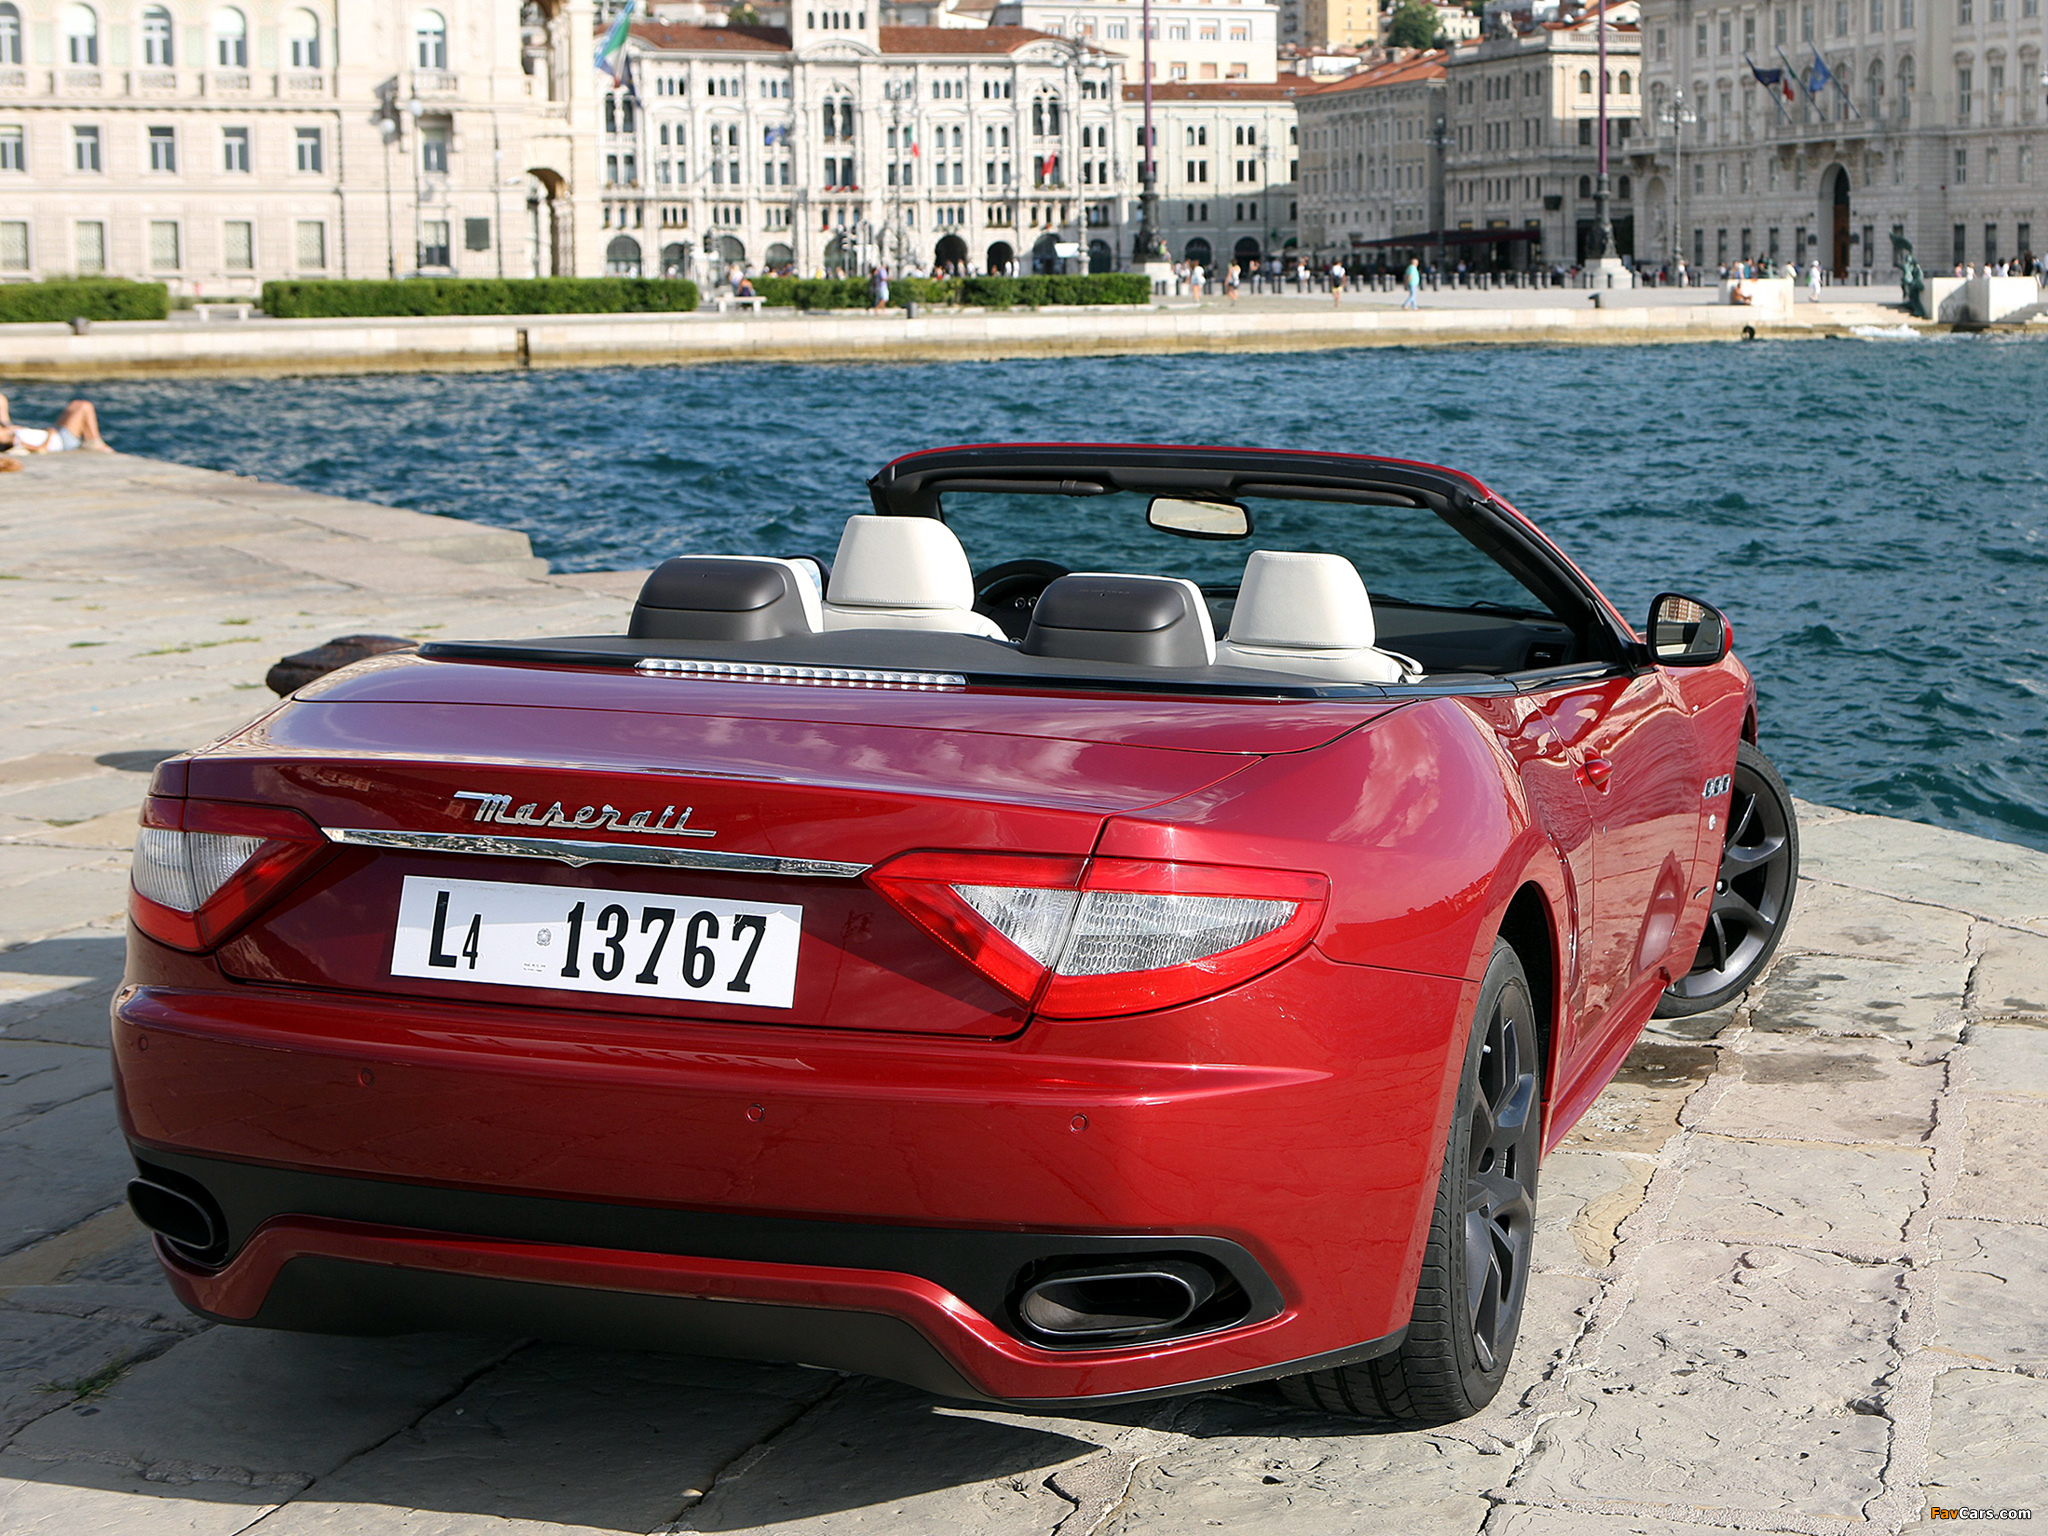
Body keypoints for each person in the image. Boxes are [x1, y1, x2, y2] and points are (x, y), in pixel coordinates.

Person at [0, 392, 112, 455]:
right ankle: (94, 441)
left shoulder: (12, 433)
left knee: (75, 404)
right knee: (84, 406)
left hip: (56, 435)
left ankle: (92, 440)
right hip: (61, 441)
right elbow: (41, 449)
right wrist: (50, 434)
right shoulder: (16, 441)